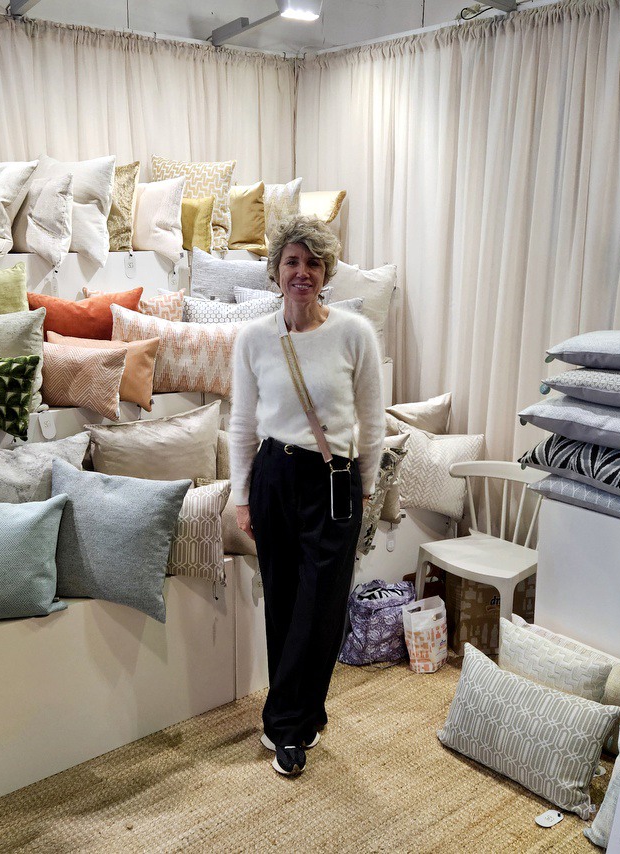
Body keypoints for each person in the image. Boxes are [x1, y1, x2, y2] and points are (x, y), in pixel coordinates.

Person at [229, 215, 384, 777]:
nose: (302, 272)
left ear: (326, 272)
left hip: (336, 481)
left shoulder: (354, 334)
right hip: (274, 476)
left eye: (313, 262)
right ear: (275, 271)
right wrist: (242, 496)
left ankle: (288, 718)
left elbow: (372, 420)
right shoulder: (253, 338)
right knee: (284, 599)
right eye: (292, 261)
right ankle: (296, 720)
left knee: (323, 605)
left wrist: (366, 488)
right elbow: (242, 423)